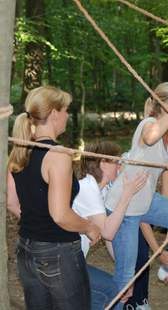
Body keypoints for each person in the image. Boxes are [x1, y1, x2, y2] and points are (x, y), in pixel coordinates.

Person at [104, 82, 168, 308]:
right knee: (126, 277)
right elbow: (150, 138)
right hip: (125, 206)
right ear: (167, 106)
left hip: (146, 201)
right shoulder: (149, 124)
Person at [7, 86, 101, 310]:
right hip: (58, 251)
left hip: (26, 250)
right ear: (55, 113)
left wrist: (37, 224)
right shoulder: (58, 155)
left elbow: (12, 203)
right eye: (66, 109)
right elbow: (60, 215)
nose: (68, 115)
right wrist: (89, 227)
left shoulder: (20, 151)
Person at [72, 141, 147, 310]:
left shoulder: (103, 190)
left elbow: (108, 238)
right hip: (64, 262)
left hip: (75, 261)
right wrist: (127, 195)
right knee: (111, 292)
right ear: (103, 163)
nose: (120, 166)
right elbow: (108, 232)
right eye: (116, 161)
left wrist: (125, 272)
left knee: (111, 291)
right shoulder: (87, 187)